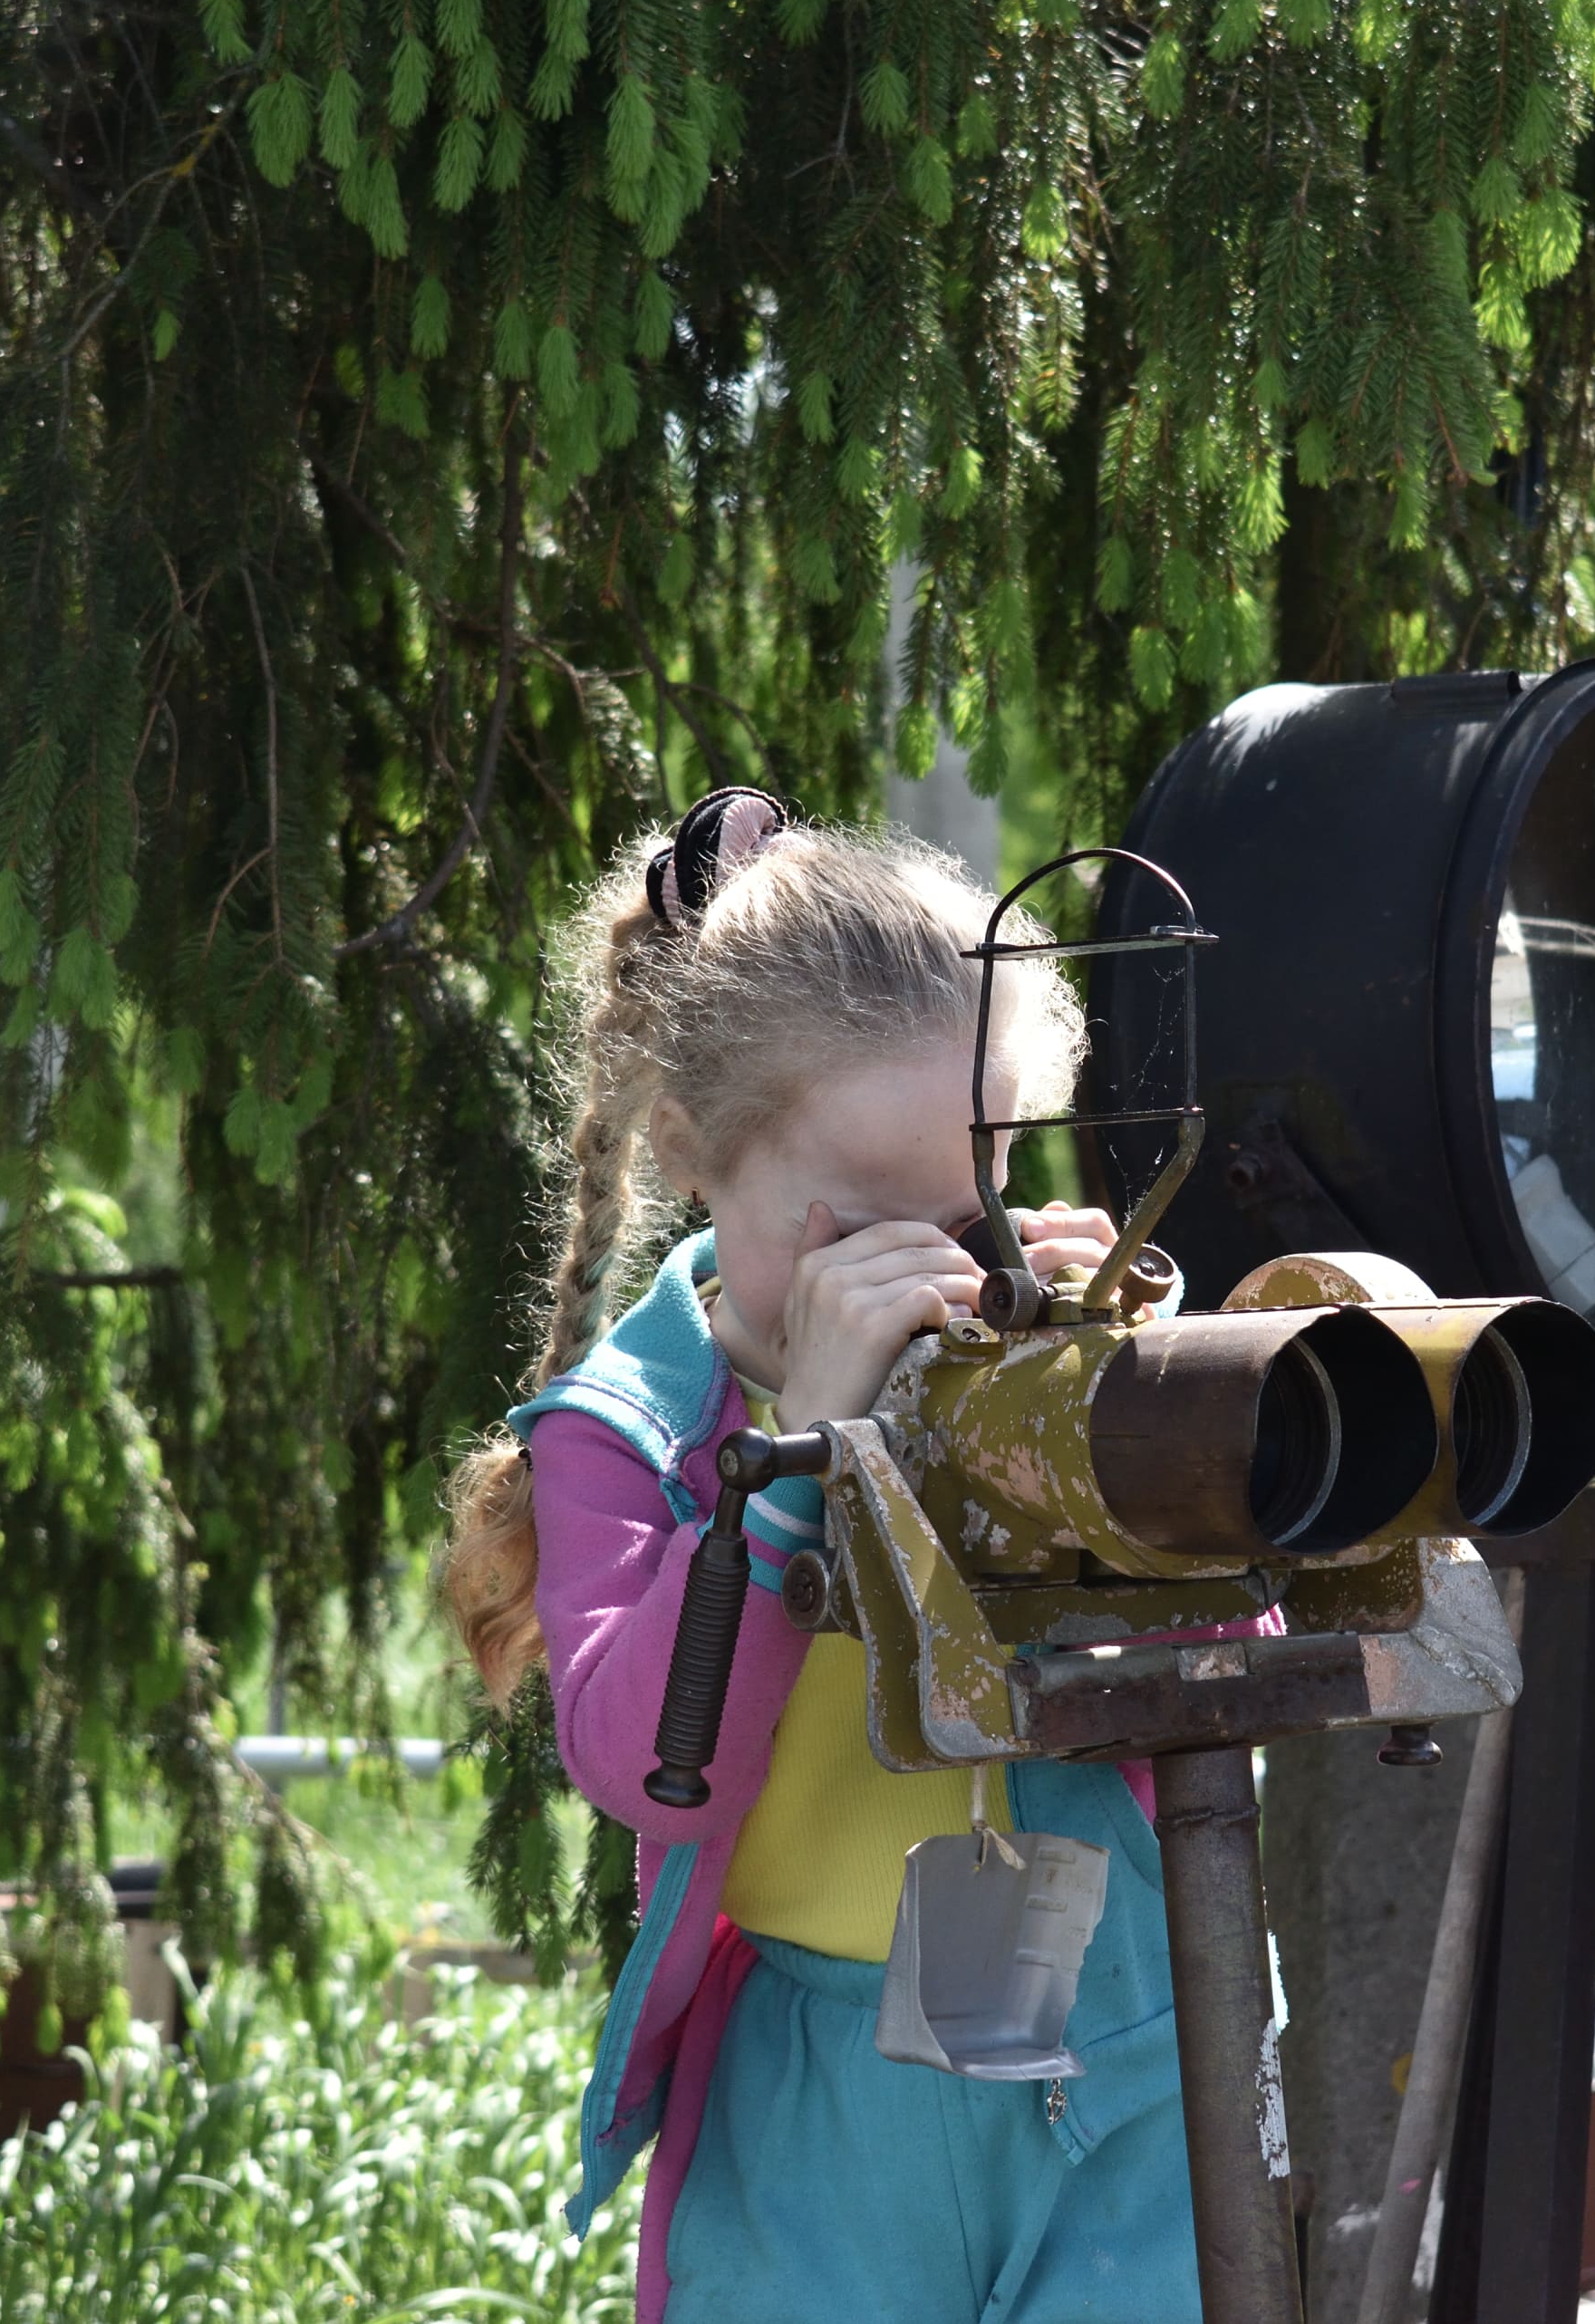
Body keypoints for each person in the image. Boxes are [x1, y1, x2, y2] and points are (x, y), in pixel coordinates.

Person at [441, 789, 1208, 2324]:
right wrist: (790, 1451)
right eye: (864, 1225)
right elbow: (649, 1769)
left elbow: (1227, 1677)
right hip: (815, 2094)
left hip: (1115, 2049)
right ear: (692, 1153)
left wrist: (1140, 1413)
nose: (933, 1275)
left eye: (976, 1210)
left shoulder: (1018, 1354)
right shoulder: (624, 1436)